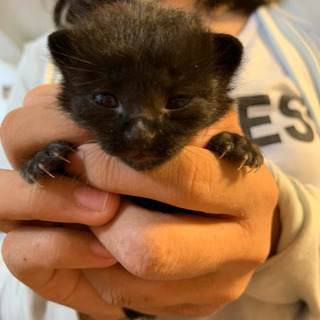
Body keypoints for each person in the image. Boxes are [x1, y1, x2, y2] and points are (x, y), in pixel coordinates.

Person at [0, 1, 319, 320]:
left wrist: (286, 230)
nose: (140, 134)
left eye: (177, 102)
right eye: (104, 100)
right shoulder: (39, 65)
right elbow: (10, 279)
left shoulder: (306, 38)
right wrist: (82, 299)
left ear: (223, 77)